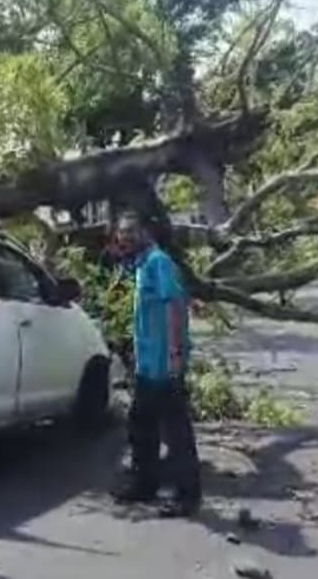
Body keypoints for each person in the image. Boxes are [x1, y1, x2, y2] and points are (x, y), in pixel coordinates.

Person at [111, 211, 202, 518]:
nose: (123, 238)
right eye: (121, 233)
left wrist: (176, 352)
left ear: (145, 233)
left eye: (129, 232)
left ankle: (187, 496)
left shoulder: (158, 263)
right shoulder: (141, 265)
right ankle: (145, 484)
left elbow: (175, 305)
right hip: (148, 365)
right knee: (141, 424)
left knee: (175, 431)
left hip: (165, 363)